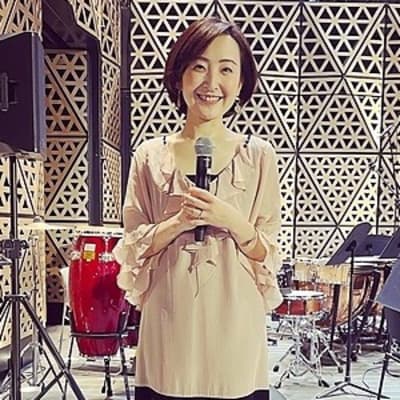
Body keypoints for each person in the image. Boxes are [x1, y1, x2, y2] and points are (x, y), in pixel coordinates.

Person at [113, 16, 283, 400]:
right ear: (179, 76)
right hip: (169, 326)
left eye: (226, 69)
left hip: (235, 329)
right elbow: (134, 246)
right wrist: (177, 223)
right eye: (199, 67)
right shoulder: (149, 156)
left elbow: (268, 253)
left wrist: (232, 221)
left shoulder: (259, 156)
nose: (211, 83)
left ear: (241, 82)